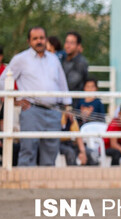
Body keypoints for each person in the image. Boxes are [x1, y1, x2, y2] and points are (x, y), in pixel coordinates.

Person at [0, 27, 72, 166]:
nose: (39, 41)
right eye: (35, 38)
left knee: (51, 151)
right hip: (31, 110)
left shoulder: (53, 59)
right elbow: (3, 81)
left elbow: (62, 83)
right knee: (28, 150)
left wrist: (67, 105)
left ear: (46, 39)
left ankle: (45, 186)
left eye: (41, 38)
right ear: (29, 41)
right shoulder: (20, 59)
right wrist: (15, 100)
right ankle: (25, 186)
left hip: (53, 111)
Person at [61, 31, 89, 108]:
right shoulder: (62, 59)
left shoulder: (81, 62)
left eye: (72, 43)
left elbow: (70, 84)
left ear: (78, 46)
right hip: (62, 102)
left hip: (75, 105)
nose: (68, 45)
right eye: (67, 42)